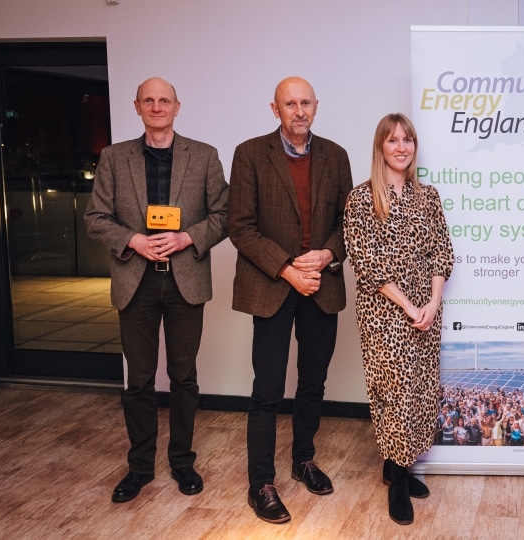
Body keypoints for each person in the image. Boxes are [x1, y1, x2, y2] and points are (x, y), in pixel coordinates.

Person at [84, 77, 229, 503]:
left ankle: (183, 462)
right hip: (137, 280)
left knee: (184, 377)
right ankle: (140, 468)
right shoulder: (114, 157)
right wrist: (134, 240)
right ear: (137, 107)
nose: (157, 106)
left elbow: (224, 214)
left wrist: (186, 238)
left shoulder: (203, 156)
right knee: (140, 381)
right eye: (149, 100)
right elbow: (96, 218)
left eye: (164, 100)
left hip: (185, 278)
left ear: (177, 107)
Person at [228, 76, 353, 524]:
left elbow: (348, 221)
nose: (299, 111)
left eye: (306, 103)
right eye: (290, 103)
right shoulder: (250, 154)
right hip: (273, 287)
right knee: (266, 391)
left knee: (312, 384)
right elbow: (239, 226)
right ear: (274, 108)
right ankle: (260, 483)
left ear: (316, 106)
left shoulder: (336, 156)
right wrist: (287, 268)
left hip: (322, 285)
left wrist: (327, 254)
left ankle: (303, 460)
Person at [343, 112, 454, 525]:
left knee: (422, 388)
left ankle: (397, 466)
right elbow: (366, 263)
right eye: (393, 140)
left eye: (407, 140)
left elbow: (443, 252)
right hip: (385, 313)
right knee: (396, 390)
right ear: (380, 147)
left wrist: (432, 303)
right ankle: (400, 479)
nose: (401, 147)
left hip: (426, 311)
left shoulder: (428, 196)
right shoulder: (360, 198)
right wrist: (408, 306)